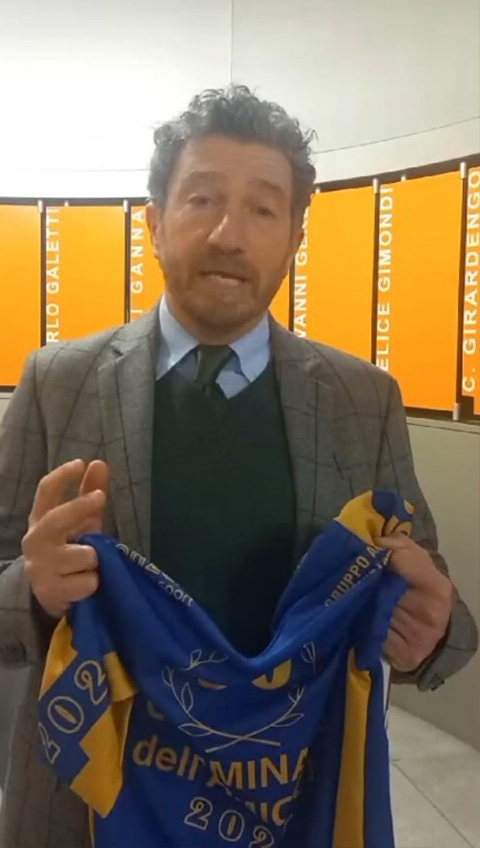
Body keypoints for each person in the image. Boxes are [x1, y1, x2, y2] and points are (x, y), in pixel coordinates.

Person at [0, 85, 477, 848]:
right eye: (202, 200)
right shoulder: (59, 383)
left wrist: (434, 628)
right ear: (155, 222)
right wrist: (32, 587)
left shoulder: (363, 400)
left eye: (262, 209)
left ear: (294, 238)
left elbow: (429, 592)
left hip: (288, 806)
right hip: (85, 809)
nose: (229, 234)